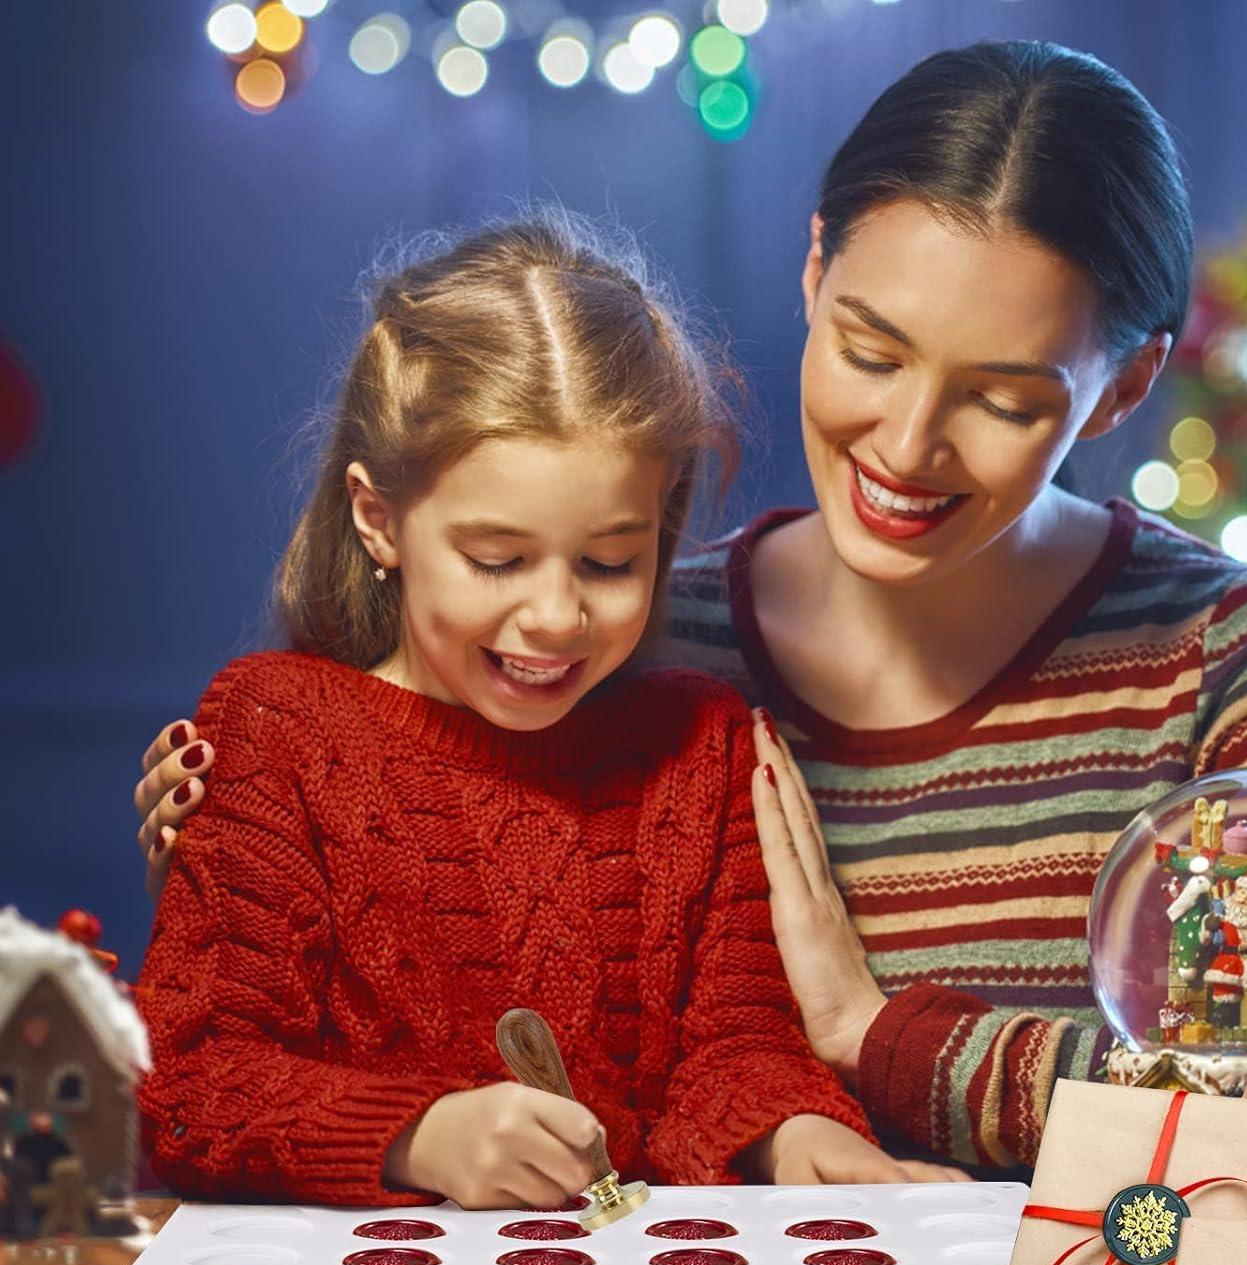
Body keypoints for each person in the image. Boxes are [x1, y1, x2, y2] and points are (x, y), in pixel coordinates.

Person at [135, 42, 1247, 1179]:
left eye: (1004, 398)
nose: (907, 444)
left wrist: (884, 1037)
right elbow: (407, 892)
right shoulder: (630, 649)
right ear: (813, 268)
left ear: (1122, 384)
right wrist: (237, 855)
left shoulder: (1220, 656)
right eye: (871, 351)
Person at [131, 213, 960, 1212]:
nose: (558, 615)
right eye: (497, 561)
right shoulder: (277, 730)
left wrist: (797, 1132)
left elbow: (736, 1046)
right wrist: (420, 1138)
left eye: (611, 562)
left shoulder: (700, 746)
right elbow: (188, 1084)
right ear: (378, 519)